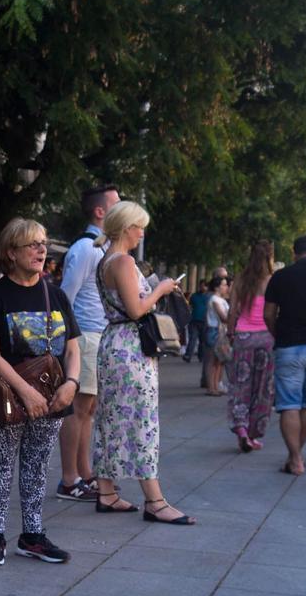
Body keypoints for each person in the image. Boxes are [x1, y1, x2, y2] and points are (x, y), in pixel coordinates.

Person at [0, 218, 82, 567]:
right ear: (10, 252)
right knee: (2, 466)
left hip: (53, 395)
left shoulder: (56, 293)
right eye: (31, 244)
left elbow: (74, 347)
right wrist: (26, 392)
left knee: (37, 466)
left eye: (43, 243)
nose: (40, 249)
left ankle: (32, 535)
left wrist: (72, 383)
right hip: (6, 396)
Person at [91, 201, 193, 524]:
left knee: (112, 416)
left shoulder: (107, 260)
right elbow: (137, 309)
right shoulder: (121, 261)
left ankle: (106, 490)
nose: (142, 232)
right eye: (139, 226)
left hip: (115, 343)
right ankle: (154, 499)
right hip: (130, 347)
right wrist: (161, 289)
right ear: (125, 228)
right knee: (141, 419)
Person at [57, 184, 120, 502]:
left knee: (88, 409)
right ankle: (70, 478)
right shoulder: (85, 249)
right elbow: (65, 296)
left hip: (98, 335)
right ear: (100, 211)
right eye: (116, 204)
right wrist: (70, 342)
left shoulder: (101, 247)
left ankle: (84, 472)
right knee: (79, 409)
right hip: (85, 337)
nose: (121, 210)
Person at [265, 234, 306, 474]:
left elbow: (268, 313)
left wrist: (278, 335)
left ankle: (295, 459)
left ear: (295, 253)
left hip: (289, 346)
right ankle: (296, 455)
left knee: (289, 405)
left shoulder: (281, 276)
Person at [226, 240, 276, 452]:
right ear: (269, 257)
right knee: (262, 388)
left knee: (240, 385)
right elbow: (274, 312)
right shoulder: (272, 280)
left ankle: (242, 429)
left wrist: (230, 333)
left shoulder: (240, 279)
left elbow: (232, 311)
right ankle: (253, 433)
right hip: (266, 338)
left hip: (243, 338)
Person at [204, 276, 231, 395]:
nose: (226, 287)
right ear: (217, 287)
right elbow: (223, 317)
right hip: (214, 331)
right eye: (224, 285)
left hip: (220, 331)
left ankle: (215, 385)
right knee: (212, 360)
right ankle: (211, 387)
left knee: (218, 360)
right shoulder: (214, 300)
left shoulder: (221, 300)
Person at [184, 279, 211, 363]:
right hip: (194, 320)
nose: (203, 287)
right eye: (201, 285)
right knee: (193, 338)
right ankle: (188, 355)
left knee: (202, 340)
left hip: (204, 321)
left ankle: (201, 356)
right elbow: (189, 306)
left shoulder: (209, 297)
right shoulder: (194, 296)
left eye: (205, 286)